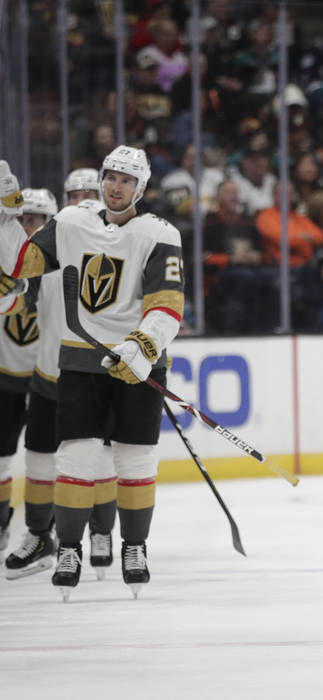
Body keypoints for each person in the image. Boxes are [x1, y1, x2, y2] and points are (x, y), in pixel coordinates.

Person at [0, 146, 185, 600]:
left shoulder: (160, 233)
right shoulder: (70, 221)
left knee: (136, 461)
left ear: (140, 188)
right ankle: (69, 549)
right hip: (80, 359)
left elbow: (168, 304)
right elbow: (19, 266)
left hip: (138, 363)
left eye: (126, 179)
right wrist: (6, 218)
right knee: (76, 460)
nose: (115, 185)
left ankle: (134, 546)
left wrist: (143, 345)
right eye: (110, 177)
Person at [5, 175, 120, 581]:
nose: (83, 203)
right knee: (38, 459)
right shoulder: (47, 255)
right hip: (47, 377)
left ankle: (102, 530)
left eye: (90, 196)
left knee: (99, 460)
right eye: (76, 196)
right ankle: (40, 536)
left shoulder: (114, 253)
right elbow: (13, 292)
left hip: (93, 377)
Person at [0, 189, 48, 562]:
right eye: (22, 218)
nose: (28, 225)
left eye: (36, 219)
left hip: (49, 380)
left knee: (50, 459)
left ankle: (49, 530)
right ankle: (2, 523)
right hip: (6, 377)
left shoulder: (62, 264)